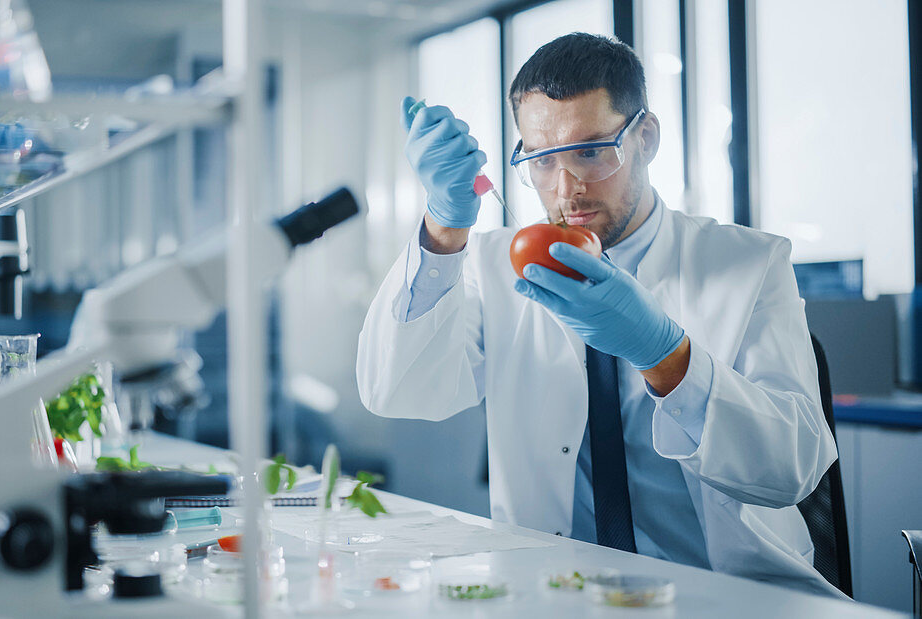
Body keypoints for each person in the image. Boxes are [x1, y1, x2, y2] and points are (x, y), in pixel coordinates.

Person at [356, 32, 842, 597]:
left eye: (590, 151)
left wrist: (666, 356)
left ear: (647, 137)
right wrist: (442, 229)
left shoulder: (750, 262)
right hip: (553, 594)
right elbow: (396, 391)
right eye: (540, 160)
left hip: (726, 597)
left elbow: (792, 472)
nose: (567, 189)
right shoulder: (495, 264)